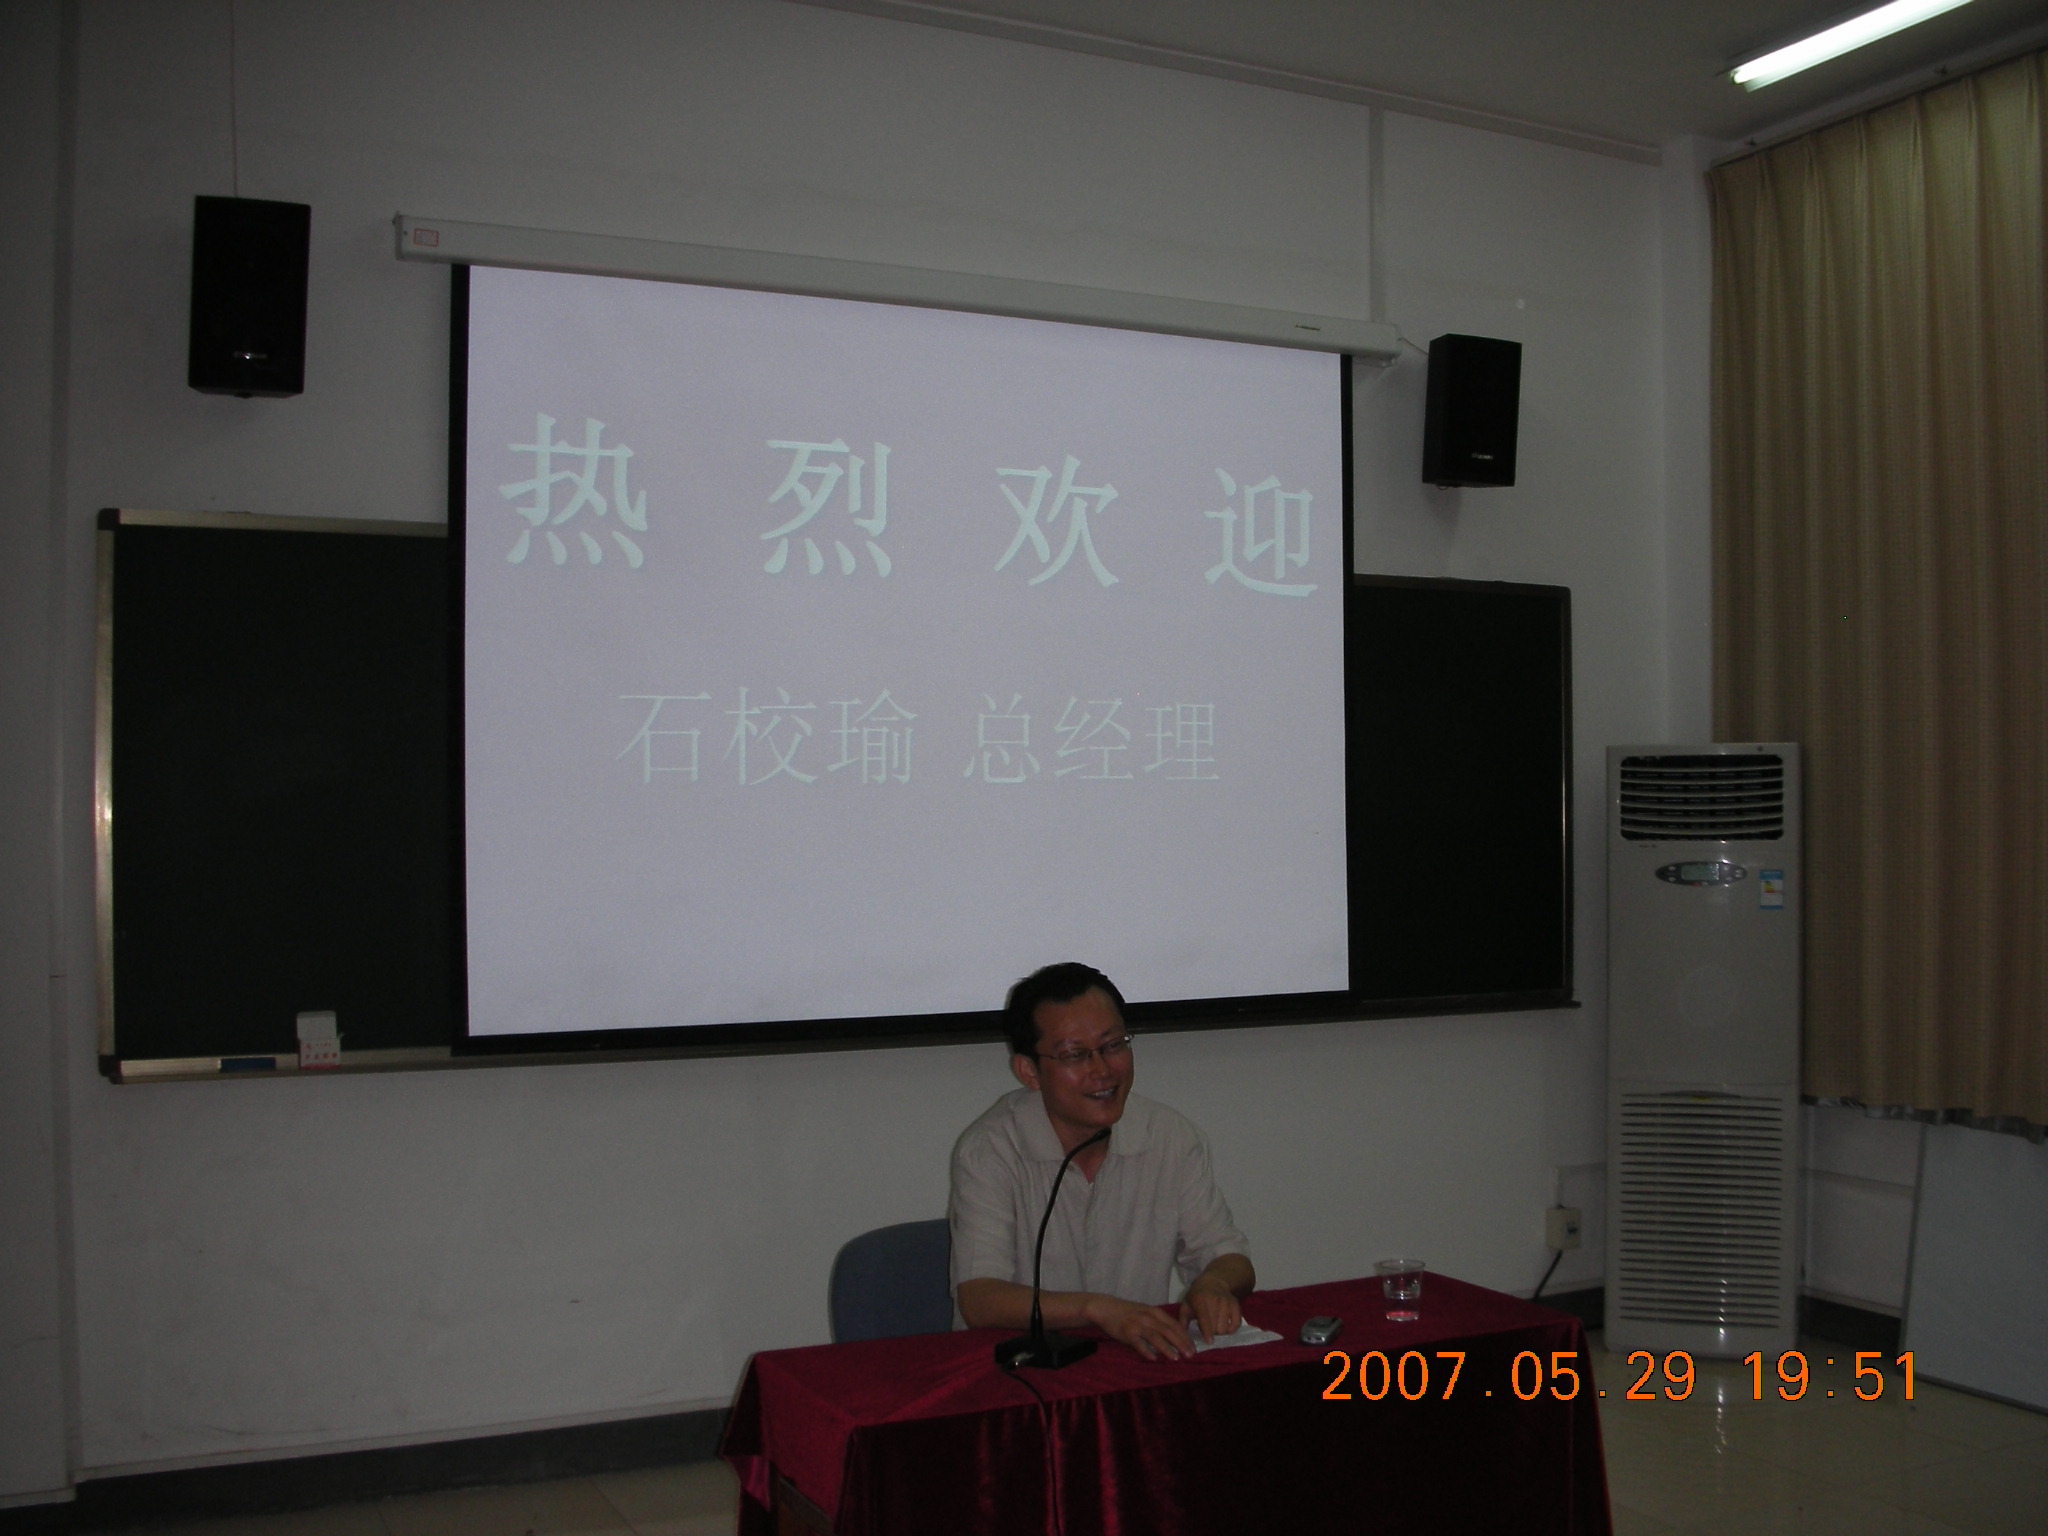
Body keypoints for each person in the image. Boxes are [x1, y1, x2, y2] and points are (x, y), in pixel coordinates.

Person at [948, 961, 1255, 1361]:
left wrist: (1214, 1283)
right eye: (1074, 1055)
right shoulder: (991, 1149)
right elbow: (979, 1299)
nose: (1102, 1070)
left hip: (1133, 1360)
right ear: (1029, 1071)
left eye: (1113, 1046)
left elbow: (1228, 1256)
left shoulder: (1168, 1135)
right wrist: (1097, 1309)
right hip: (1019, 1366)